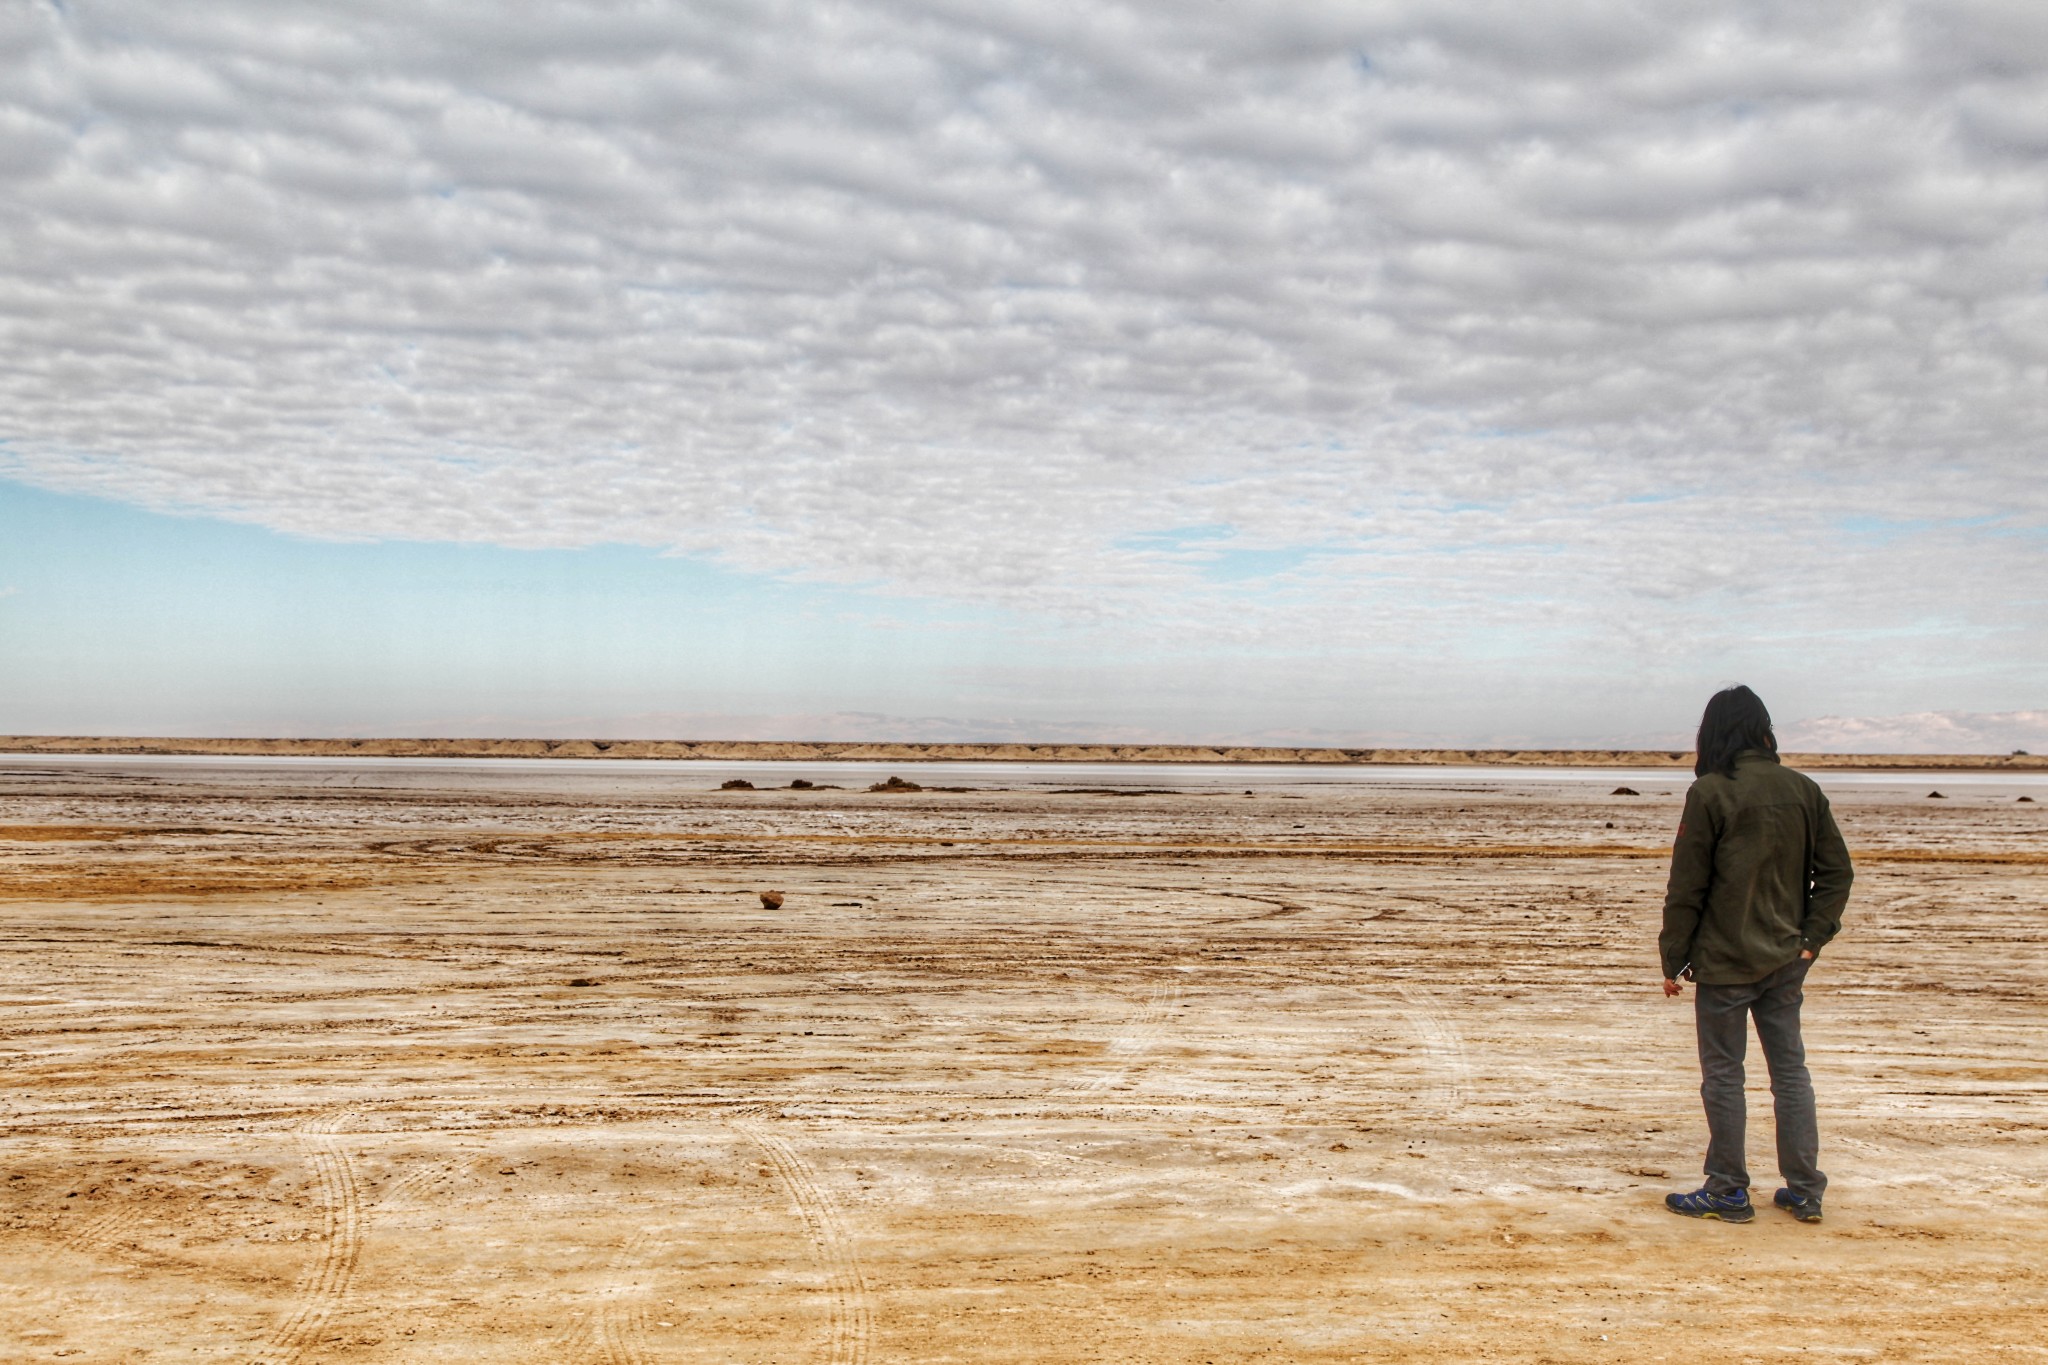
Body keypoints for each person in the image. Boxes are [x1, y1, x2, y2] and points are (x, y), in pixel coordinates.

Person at [1658, 685, 1853, 1224]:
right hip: (1788, 958)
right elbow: (1837, 874)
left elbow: (1687, 886)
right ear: (1763, 730)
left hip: (1725, 961)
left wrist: (1673, 958)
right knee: (1790, 1073)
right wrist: (1811, 939)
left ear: (1713, 733)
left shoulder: (1710, 792)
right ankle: (1805, 1191)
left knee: (1724, 1076)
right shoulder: (1803, 789)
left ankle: (1727, 1191)